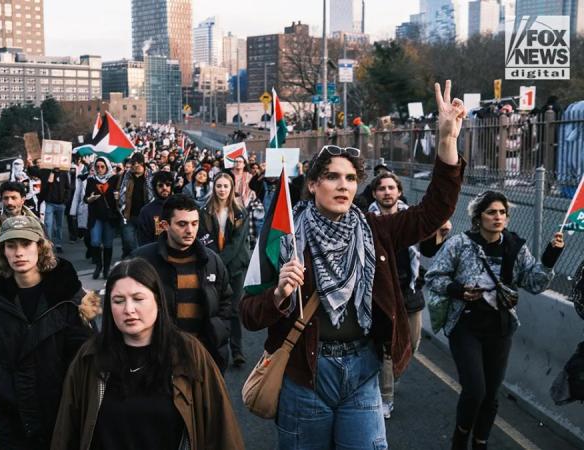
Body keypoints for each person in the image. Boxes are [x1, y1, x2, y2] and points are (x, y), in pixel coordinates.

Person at [240, 81, 466, 449]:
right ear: (312, 185)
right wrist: (280, 294)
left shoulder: (376, 230)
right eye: (331, 177)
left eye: (350, 178)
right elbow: (248, 314)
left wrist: (446, 142)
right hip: (305, 375)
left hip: (362, 372)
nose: (343, 185)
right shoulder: (283, 235)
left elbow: (433, 212)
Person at [51, 258, 244, 450]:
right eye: (118, 301)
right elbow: (66, 432)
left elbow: (222, 430)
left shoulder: (188, 353)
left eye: (138, 299)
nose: (129, 309)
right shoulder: (90, 357)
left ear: (158, 301)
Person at [425, 190, 565, 450]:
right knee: (475, 390)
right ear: (479, 217)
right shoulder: (460, 243)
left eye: (502, 212)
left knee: (490, 395)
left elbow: (534, 283)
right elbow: (434, 277)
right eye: (491, 212)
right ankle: (460, 438)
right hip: (465, 326)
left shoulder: (515, 246)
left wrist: (550, 255)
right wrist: (459, 290)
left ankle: (480, 443)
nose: (498, 217)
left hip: (500, 329)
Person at [0, 215, 93, 449]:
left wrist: (70, 393)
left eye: (26, 244)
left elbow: (88, 353)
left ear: (40, 247)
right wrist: (0, 385)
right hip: (13, 419)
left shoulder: (68, 296)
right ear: (2, 252)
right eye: (11, 246)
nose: (19, 252)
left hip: (64, 415)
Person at [132, 194, 233, 371]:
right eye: (182, 224)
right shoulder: (142, 260)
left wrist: (219, 332)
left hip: (203, 357)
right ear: (164, 226)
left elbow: (225, 301)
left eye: (194, 223)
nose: (190, 230)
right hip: (158, 360)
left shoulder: (211, 261)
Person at [368, 172, 425, 419]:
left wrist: (442, 232)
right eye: (382, 188)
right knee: (389, 348)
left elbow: (431, 245)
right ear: (374, 194)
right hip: (381, 293)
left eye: (392, 188)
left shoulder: (410, 219)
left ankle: (390, 375)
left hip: (409, 291)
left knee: (411, 343)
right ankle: (385, 398)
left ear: (399, 191)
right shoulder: (366, 220)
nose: (387, 192)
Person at [198, 173, 251, 367]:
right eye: (218, 186)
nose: (222, 189)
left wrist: (220, 263)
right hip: (211, 266)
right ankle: (213, 348)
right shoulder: (204, 211)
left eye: (225, 186)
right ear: (214, 188)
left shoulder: (240, 213)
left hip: (234, 267)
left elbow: (237, 244)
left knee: (234, 310)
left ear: (231, 189)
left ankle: (237, 351)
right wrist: (215, 263)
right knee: (213, 308)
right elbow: (203, 238)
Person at [0, 181, 41, 280]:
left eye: (14, 198)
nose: (9, 202)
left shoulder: (34, 223)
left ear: (22, 200)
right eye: (6, 198)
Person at [85, 156, 120, 279]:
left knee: (108, 244)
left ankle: (106, 268)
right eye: (97, 166)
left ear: (107, 167)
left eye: (102, 166)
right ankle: (98, 265)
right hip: (96, 216)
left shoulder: (114, 178)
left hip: (110, 216)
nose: (99, 169)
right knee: (95, 241)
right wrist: (90, 199)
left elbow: (120, 194)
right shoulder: (91, 180)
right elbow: (86, 198)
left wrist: (117, 197)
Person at [27, 158, 72, 253]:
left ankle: (59, 244)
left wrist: (65, 200)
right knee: (48, 224)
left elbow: (68, 188)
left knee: (59, 226)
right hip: (49, 203)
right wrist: (29, 164)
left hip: (60, 204)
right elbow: (33, 172)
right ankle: (49, 245)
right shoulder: (45, 172)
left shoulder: (63, 173)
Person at [118, 153, 154, 258]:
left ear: (142, 164)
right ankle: (136, 258)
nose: (134, 166)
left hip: (144, 215)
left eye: (136, 164)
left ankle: (138, 260)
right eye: (132, 163)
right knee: (128, 240)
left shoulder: (151, 177)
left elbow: (154, 194)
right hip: (128, 214)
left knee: (144, 241)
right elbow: (120, 190)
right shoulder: (126, 176)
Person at [136, 170, 174, 246]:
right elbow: (143, 240)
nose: (164, 188)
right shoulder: (146, 211)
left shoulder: (180, 206)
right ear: (155, 188)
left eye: (168, 184)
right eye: (160, 185)